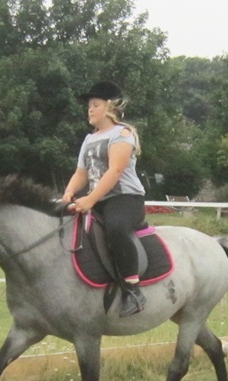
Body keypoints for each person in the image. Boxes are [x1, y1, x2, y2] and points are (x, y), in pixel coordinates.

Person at [62, 81, 147, 317]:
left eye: (95, 105)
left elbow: (115, 171)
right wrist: (69, 192)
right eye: (89, 106)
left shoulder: (122, 134)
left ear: (109, 107)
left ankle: (133, 289)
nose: (90, 109)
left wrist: (89, 200)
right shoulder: (89, 139)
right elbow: (81, 173)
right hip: (98, 199)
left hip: (125, 199)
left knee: (116, 228)